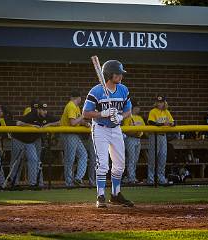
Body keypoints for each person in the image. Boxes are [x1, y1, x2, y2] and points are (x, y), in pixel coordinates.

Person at [83, 59, 134, 208]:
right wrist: (102, 113)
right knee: (103, 164)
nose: (121, 76)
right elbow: (85, 113)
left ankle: (116, 194)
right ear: (109, 74)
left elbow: (128, 110)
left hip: (116, 129)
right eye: (118, 74)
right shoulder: (96, 91)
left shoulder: (123, 89)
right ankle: (100, 196)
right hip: (100, 129)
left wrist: (120, 116)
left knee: (119, 165)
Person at [9, 102, 59, 187]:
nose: (45, 112)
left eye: (46, 110)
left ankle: (33, 183)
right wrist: (31, 125)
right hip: (19, 139)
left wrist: (48, 124)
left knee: (34, 159)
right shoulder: (31, 115)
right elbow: (18, 123)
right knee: (16, 162)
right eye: (43, 110)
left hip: (31, 141)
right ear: (38, 110)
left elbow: (60, 122)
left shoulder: (47, 116)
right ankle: (14, 183)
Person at [60, 91, 89, 187]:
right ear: (78, 98)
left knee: (83, 155)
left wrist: (85, 123)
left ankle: (78, 178)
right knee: (70, 159)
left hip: (75, 135)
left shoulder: (76, 107)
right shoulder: (71, 105)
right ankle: (69, 182)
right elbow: (72, 122)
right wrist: (83, 117)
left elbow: (79, 120)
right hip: (68, 135)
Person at [147, 95, 175, 185]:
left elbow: (173, 122)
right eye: (158, 102)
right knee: (152, 159)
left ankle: (161, 179)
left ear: (164, 103)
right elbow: (151, 122)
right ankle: (151, 180)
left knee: (162, 158)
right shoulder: (153, 111)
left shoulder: (166, 112)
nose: (160, 103)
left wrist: (171, 124)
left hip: (163, 137)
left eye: (161, 102)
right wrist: (163, 123)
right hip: (154, 136)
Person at [122, 100, 145, 184]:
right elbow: (125, 130)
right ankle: (130, 178)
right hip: (130, 139)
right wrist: (134, 131)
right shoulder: (127, 117)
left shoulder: (140, 118)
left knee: (135, 159)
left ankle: (132, 176)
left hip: (138, 139)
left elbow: (144, 130)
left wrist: (139, 132)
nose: (138, 109)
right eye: (136, 107)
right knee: (131, 159)